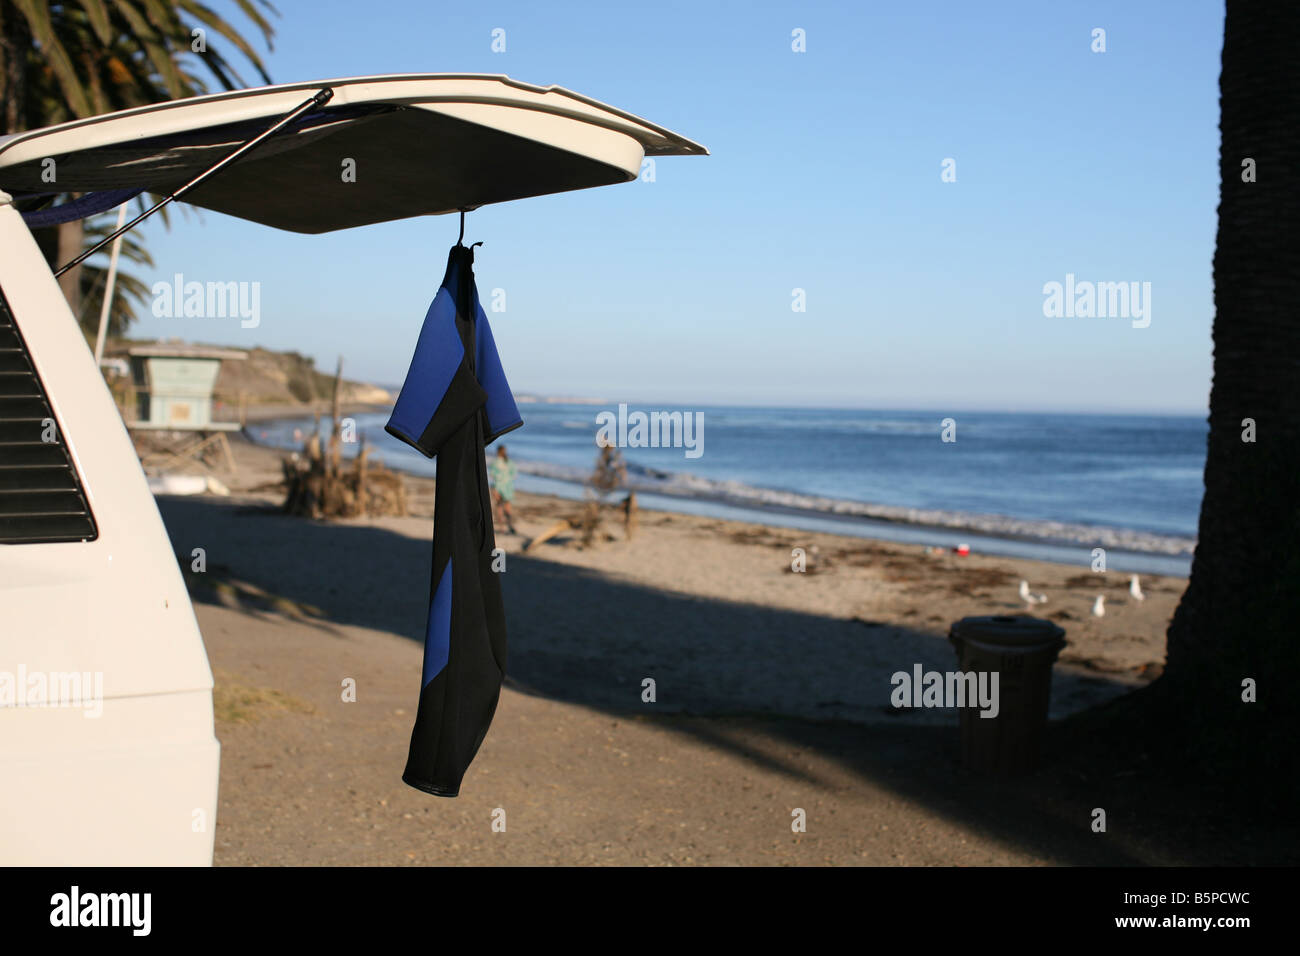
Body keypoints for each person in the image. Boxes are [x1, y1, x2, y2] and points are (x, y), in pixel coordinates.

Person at [488, 444, 518, 534]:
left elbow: (493, 475)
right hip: (508, 486)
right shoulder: (509, 462)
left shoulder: (496, 462)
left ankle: (502, 527)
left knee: (499, 507)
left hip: (499, 486)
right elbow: (514, 475)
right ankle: (509, 525)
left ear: (498, 452)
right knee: (507, 508)